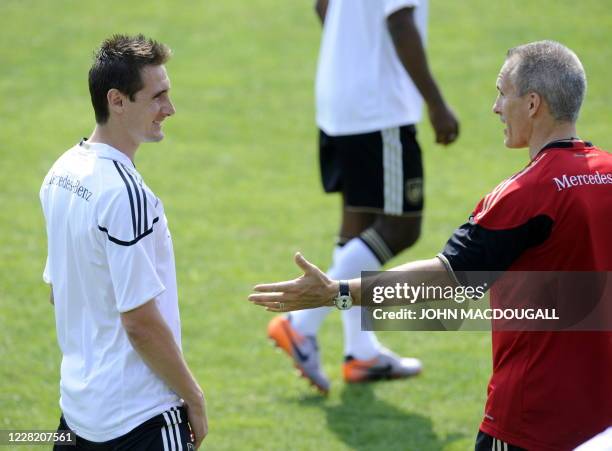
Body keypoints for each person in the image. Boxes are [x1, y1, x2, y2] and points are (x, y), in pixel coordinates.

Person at [251, 41, 612, 450]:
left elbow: (444, 278)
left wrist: (338, 293)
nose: (495, 107)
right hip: (601, 425)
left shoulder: (526, 195)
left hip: (532, 421)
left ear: (532, 104)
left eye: (502, 92)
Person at [267, 0, 459, 394]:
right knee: (400, 228)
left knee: (359, 228)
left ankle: (361, 351)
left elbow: (323, 7)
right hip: (379, 111)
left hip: (340, 102)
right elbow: (401, 22)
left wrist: (350, 55)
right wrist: (437, 105)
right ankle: (301, 327)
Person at [40, 34, 207, 450]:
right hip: (141, 418)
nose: (169, 109)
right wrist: (194, 396)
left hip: (78, 414)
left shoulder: (61, 173)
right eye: (157, 97)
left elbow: (59, 292)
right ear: (117, 101)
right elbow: (140, 323)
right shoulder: (126, 195)